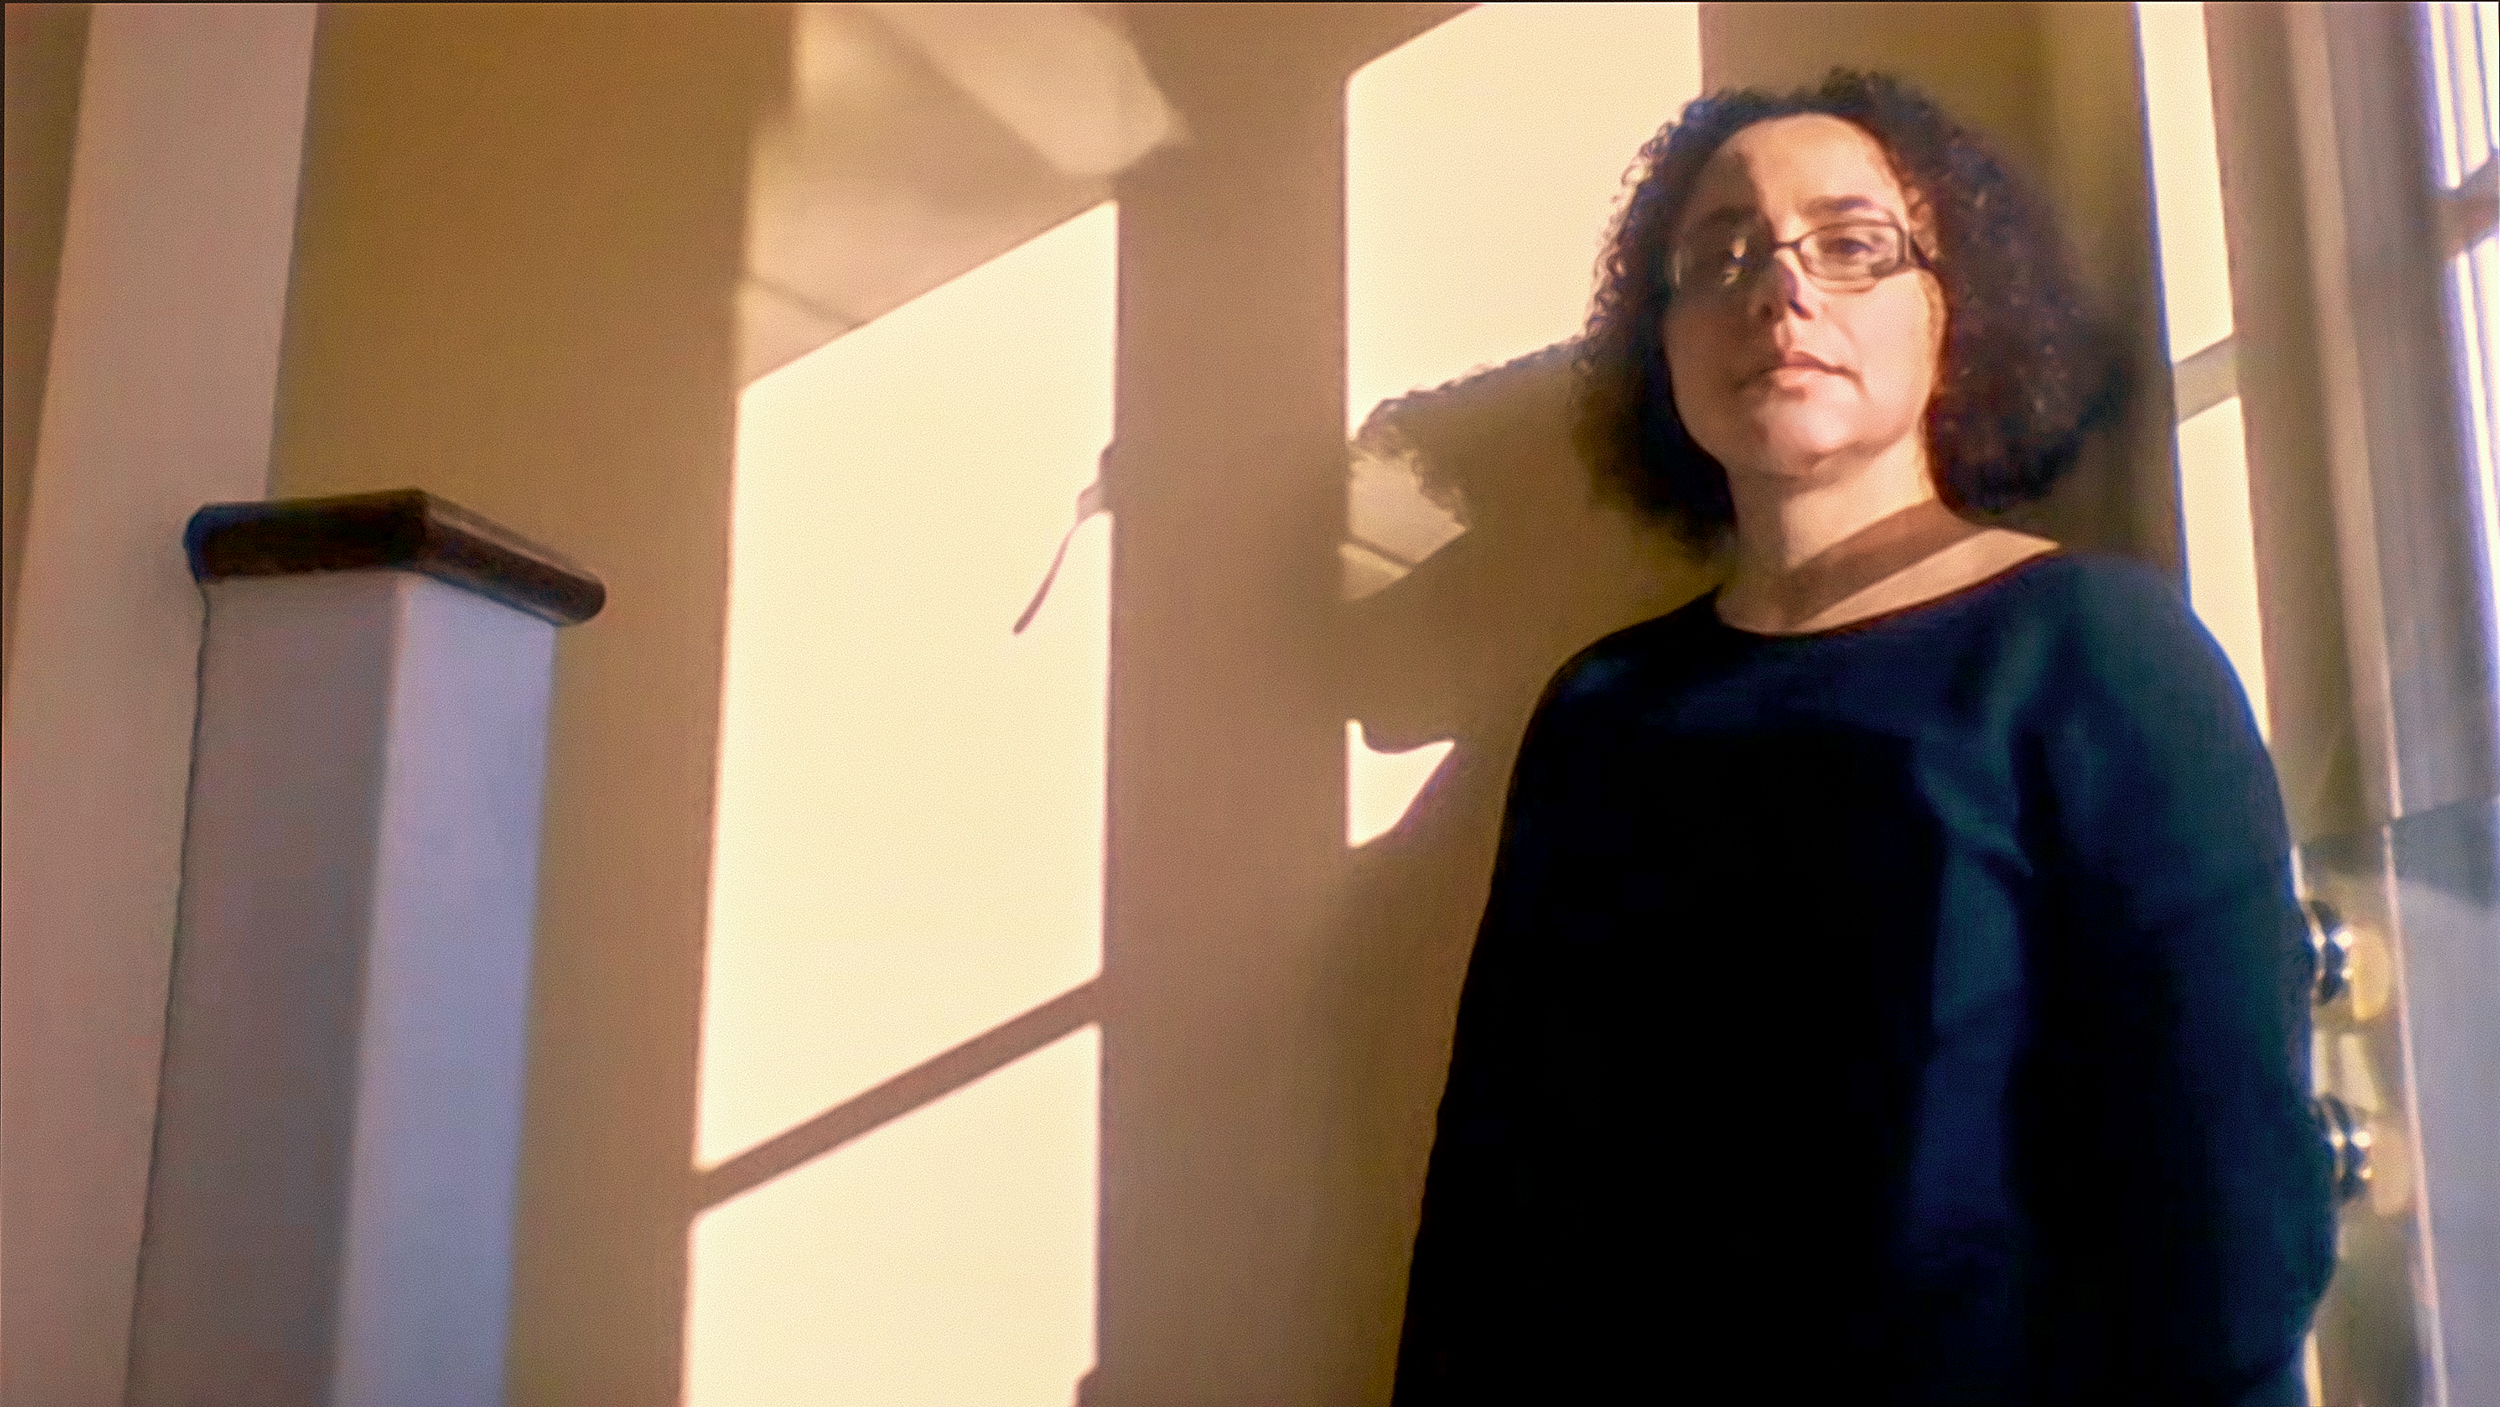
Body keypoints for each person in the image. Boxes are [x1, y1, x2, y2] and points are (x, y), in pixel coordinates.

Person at [1391, 70, 2337, 1405]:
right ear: (1664, 342)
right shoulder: (1598, 712)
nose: (1781, 289)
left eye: (1851, 244)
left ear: (1955, 308)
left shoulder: (2098, 656)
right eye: (1722, 254)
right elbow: (1496, 1204)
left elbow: (2230, 1213)